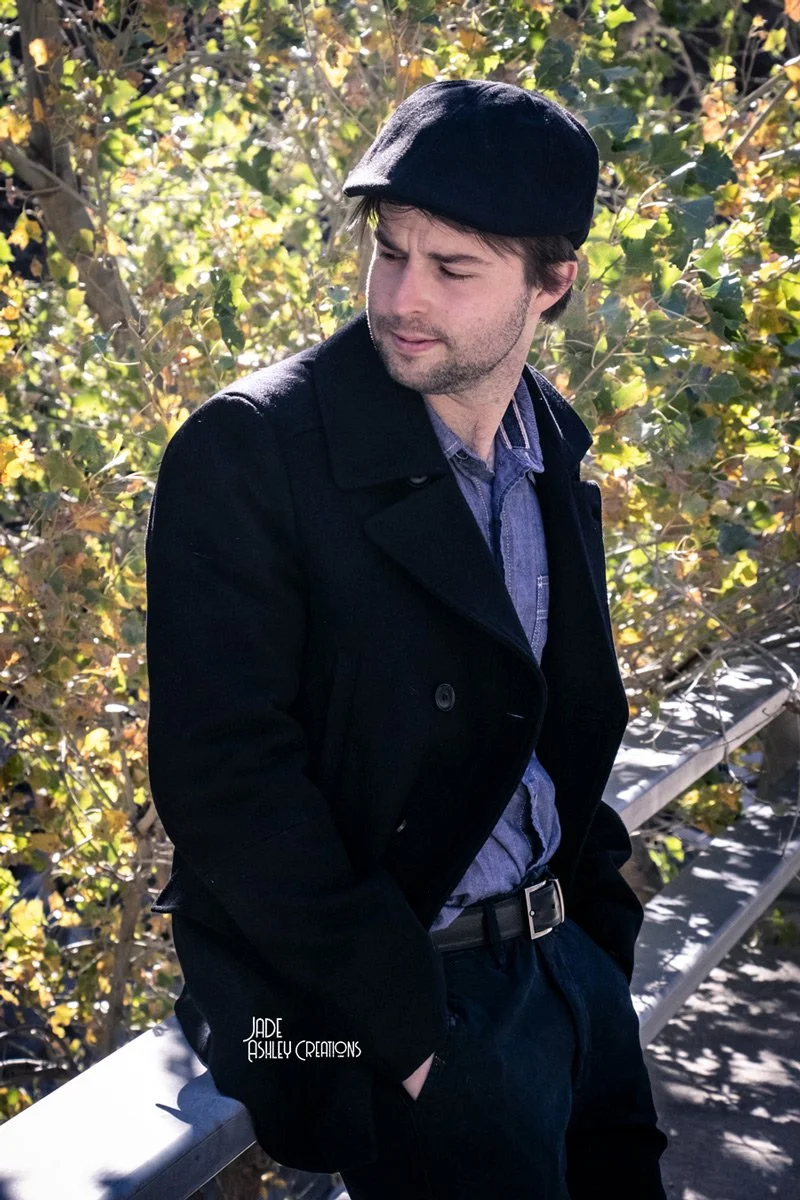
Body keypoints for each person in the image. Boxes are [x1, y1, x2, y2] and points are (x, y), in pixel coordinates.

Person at [145, 79, 669, 1199]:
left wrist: (591, 940)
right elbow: (224, 778)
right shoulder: (252, 451)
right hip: (378, 1012)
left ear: (552, 284)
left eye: (452, 267)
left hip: (562, 970)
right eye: (390, 252)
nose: (401, 296)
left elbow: (549, 712)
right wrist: (411, 1039)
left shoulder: (548, 441)